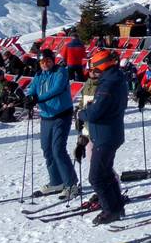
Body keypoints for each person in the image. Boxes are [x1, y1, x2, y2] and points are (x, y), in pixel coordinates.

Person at [78, 49, 128, 224]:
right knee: (105, 173)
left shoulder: (108, 84)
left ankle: (110, 210)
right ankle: (117, 207)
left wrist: (82, 114)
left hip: (105, 135)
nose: (93, 72)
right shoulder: (114, 79)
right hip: (109, 133)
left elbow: (96, 112)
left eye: (95, 68)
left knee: (96, 177)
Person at [25, 49, 79, 199]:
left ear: (53, 60)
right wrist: (29, 98)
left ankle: (71, 184)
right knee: (47, 150)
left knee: (58, 149)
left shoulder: (60, 72)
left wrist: (38, 99)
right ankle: (56, 182)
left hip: (61, 115)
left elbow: (57, 89)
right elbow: (32, 89)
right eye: (42, 62)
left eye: (48, 61)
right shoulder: (39, 75)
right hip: (46, 116)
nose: (45, 64)